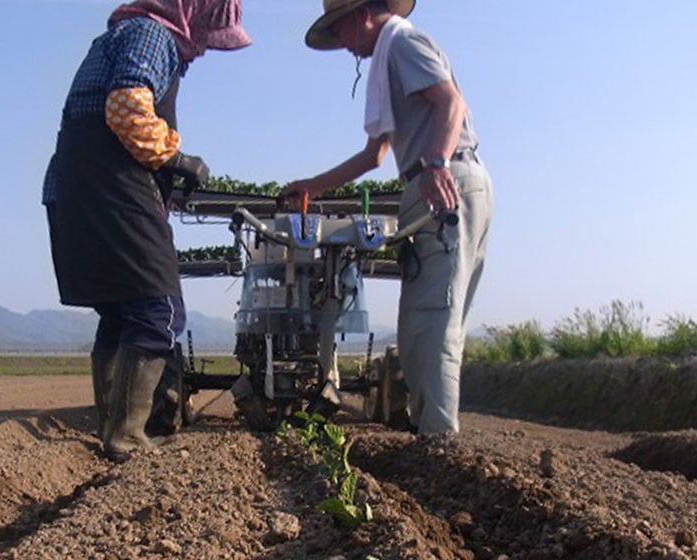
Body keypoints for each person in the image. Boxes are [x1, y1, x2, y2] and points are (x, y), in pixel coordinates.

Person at [42, 0, 251, 461]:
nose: (200, 52)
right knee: (157, 309)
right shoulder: (152, 35)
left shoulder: (120, 35)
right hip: (110, 183)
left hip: (80, 185)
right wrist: (177, 159)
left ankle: (112, 428)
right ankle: (126, 434)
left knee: (120, 312)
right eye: (204, 37)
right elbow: (126, 110)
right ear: (189, 14)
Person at [281, 0, 492, 435]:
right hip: (423, 183)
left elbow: (450, 102)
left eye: (338, 33)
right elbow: (373, 156)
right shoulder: (388, 59)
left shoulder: (403, 43)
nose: (343, 47)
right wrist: (313, 186)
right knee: (417, 326)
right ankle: (429, 433)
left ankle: (439, 443)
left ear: (359, 16)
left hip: (443, 179)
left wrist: (435, 162)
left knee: (434, 321)